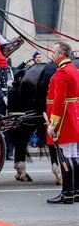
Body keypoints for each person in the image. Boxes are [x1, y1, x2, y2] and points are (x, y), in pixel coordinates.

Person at [45, 42, 79, 204]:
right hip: (73, 115)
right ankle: (76, 191)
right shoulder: (73, 69)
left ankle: (67, 193)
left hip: (64, 117)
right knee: (73, 154)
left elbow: (59, 100)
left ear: (62, 54)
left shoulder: (62, 73)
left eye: (54, 52)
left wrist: (53, 123)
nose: (52, 55)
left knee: (65, 156)